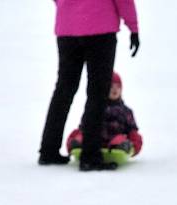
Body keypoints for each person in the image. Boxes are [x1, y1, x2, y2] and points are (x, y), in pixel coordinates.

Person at [38, 0, 140, 171]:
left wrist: (68, 9)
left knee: (64, 89)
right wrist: (133, 27)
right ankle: (91, 156)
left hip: (67, 28)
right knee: (98, 92)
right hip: (100, 27)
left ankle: (48, 150)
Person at [66, 71, 143, 159]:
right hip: (94, 139)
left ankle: (121, 147)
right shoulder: (95, 107)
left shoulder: (125, 111)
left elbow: (132, 131)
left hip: (114, 138)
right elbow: (83, 126)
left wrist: (134, 147)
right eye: (111, 87)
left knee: (121, 139)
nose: (115, 90)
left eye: (118, 87)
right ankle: (77, 145)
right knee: (80, 135)